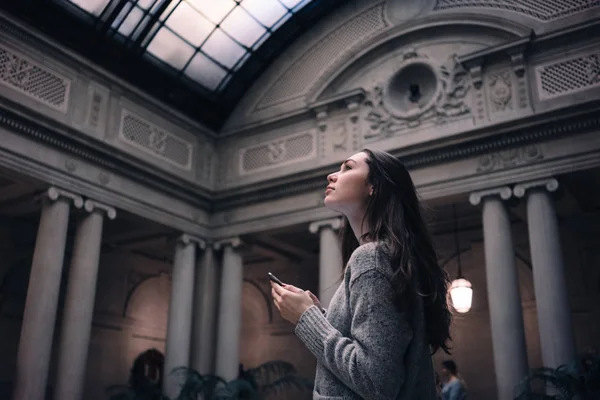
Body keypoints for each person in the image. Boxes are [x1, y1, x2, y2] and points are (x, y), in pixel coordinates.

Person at [271, 149, 452, 400]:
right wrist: (320, 315)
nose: (331, 176)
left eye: (347, 168)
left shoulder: (372, 258)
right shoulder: (390, 256)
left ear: (374, 186)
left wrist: (307, 318)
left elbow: (375, 381)